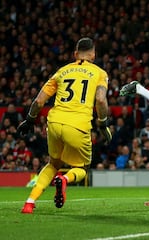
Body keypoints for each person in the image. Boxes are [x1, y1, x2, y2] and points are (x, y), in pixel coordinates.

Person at [18, 37, 112, 214]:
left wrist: (29, 120)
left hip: (54, 122)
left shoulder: (61, 71)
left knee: (53, 163)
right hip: (78, 125)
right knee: (82, 168)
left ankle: (29, 202)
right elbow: (100, 100)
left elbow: (39, 101)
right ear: (93, 54)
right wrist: (102, 124)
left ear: (75, 54)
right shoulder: (100, 73)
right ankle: (65, 179)